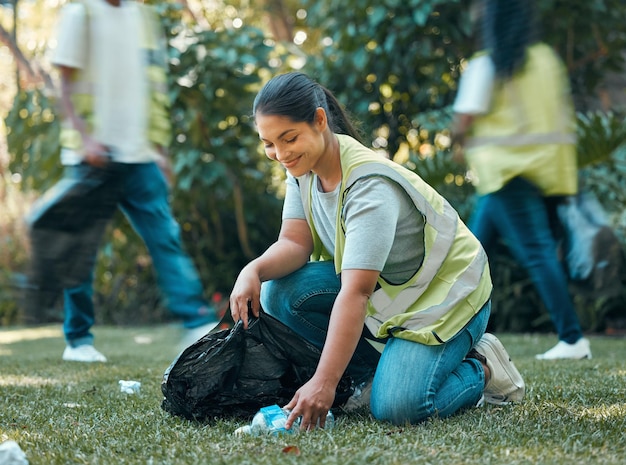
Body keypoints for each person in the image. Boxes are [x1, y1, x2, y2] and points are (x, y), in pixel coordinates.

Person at [228, 72, 525, 429]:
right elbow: (294, 243)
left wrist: (324, 383)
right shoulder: (302, 168)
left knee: (398, 409)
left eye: (288, 138)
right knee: (280, 291)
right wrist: (253, 270)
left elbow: (356, 292)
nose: (280, 154)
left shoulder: (369, 187)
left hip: (446, 300)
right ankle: (373, 377)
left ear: (320, 121)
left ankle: (481, 364)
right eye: (269, 143)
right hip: (391, 293)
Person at [31, 0, 217, 362]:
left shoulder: (143, 17)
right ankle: (78, 340)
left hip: (140, 155)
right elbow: (65, 85)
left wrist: (161, 150)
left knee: (166, 238)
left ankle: (196, 323)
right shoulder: (79, 13)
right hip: (93, 158)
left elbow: (154, 90)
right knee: (81, 251)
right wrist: (85, 138)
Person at [451, 0, 591, 360]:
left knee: (529, 252)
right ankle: (448, 330)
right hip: (542, 170)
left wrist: (458, 142)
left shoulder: (487, 65)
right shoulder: (545, 59)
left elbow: (464, 119)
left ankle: (573, 339)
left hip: (505, 174)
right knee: (471, 252)